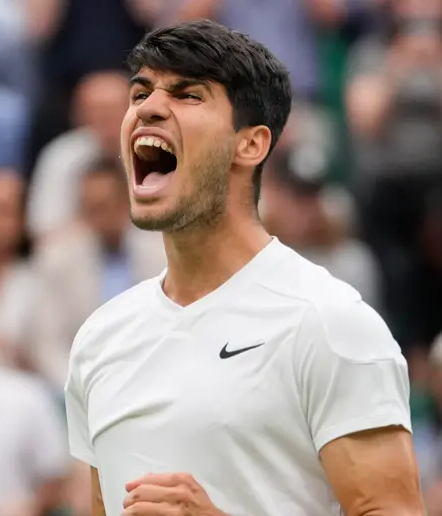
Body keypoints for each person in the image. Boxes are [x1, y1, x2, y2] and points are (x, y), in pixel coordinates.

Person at [64, 20, 422, 516]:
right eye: (141, 92)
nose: (147, 108)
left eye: (188, 95)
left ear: (251, 145)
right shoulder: (98, 339)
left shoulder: (329, 321)